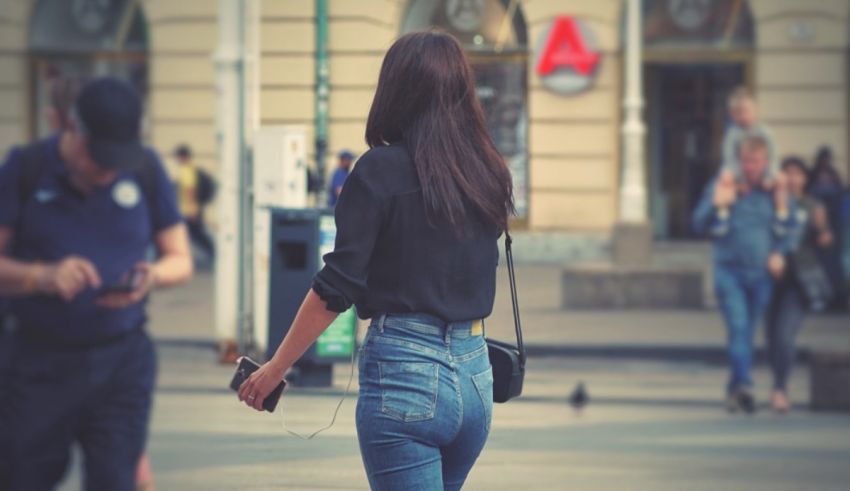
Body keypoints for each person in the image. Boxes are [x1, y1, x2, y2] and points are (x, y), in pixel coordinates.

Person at [237, 30, 514, 490]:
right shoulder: (487, 170)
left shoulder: (379, 169)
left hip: (406, 371)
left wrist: (276, 367)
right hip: (476, 373)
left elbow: (336, 287)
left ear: (397, 91)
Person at [0, 77, 192, 490]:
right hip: (38, 364)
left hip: (120, 361)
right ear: (72, 128)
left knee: (115, 480)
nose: (109, 171)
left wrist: (152, 275)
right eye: (100, 158)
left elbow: (180, 259)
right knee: (24, 477)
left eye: (117, 160)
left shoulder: (143, 169)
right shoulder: (26, 167)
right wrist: (41, 276)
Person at [693, 134, 795, 414]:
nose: (750, 167)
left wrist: (780, 252)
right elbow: (698, 223)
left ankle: (734, 389)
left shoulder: (774, 190)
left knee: (746, 333)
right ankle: (746, 384)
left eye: (756, 161)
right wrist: (717, 202)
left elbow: (791, 227)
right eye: (746, 160)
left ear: (766, 161)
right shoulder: (724, 186)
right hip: (729, 272)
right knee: (739, 327)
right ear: (738, 160)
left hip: (761, 274)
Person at [765, 156, 835, 413]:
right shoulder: (770, 200)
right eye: (788, 173)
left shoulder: (812, 204)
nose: (793, 179)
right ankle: (778, 383)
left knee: (785, 333)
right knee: (772, 335)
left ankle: (780, 388)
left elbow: (826, 241)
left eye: (798, 173)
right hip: (771, 277)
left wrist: (823, 228)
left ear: (806, 178)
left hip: (799, 280)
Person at [715, 87, 780, 219]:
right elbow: (729, 158)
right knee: (724, 180)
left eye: (746, 112)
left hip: (763, 171)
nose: (743, 116)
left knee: (781, 180)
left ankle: (781, 213)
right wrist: (739, 179)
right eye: (738, 113)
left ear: (755, 111)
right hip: (739, 171)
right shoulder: (732, 134)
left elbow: (773, 156)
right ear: (732, 115)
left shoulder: (765, 132)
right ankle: (722, 215)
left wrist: (769, 176)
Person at [808, 146, 848, 309]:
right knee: (824, 264)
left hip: (834, 226)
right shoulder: (822, 176)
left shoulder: (830, 176)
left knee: (834, 264)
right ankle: (828, 297)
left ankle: (837, 297)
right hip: (822, 227)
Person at [174, 144, 216, 263]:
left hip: (190, 212)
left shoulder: (186, 170)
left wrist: (192, 212)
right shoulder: (190, 169)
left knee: (196, 236)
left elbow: (190, 191)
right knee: (194, 235)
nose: (177, 160)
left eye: (178, 157)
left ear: (183, 157)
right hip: (191, 210)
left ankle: (213, 254)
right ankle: (210, 254)